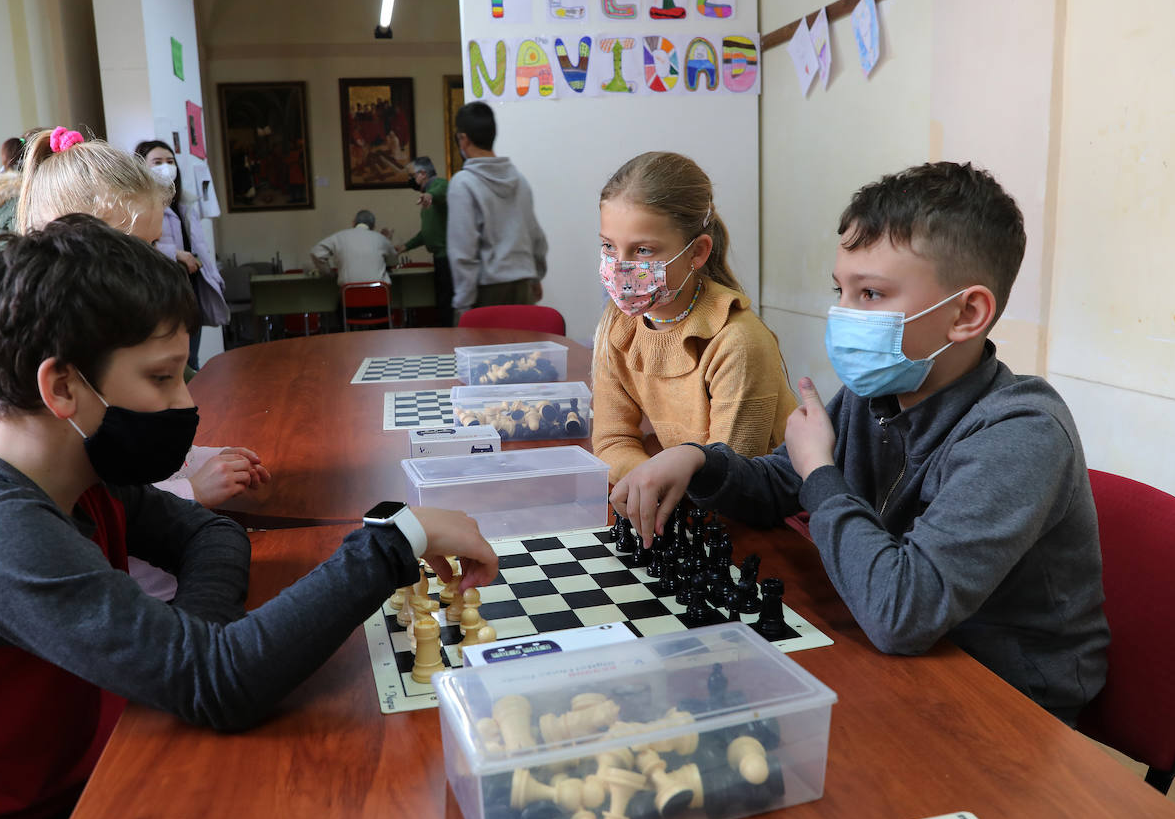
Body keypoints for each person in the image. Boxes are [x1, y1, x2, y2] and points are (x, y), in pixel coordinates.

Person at [0, 215, 498, 819]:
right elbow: (221, 685)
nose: (186, 403)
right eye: (161, 377)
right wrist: (397, 538)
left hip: (64, 772)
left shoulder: (80, 471)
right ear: (62, 387)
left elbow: (211, 538)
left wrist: (199, 645)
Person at [612, 162, 1109, 724]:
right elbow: (782, 483)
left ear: (967, 314)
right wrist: (700, 461)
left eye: (871, 293)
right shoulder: (880, 391)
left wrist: (819, 471)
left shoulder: (1020, 433)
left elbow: (903, 611)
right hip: (899, 655)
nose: (844, 315)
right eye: (841, 289)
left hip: (1007, 703)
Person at [16, 127, 270, 598]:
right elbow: (97, 506)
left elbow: (135, 475)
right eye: (135, 247)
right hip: (143, 594)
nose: (155, 264)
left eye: (155, 246)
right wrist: (195, 491)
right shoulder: (65, 380)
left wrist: (201, 462)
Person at [593, 151, 798, 483]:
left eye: (643, 250)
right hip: (683, 497)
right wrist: (647, 477)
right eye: (608, 247)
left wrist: (651, 477)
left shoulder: (738, 342)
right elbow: (611, 441)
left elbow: (727, 477)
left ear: (697, 252)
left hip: (763, 514)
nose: (619, 266)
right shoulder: (618, 324)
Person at [446, 101, 548, 324]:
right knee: (521, 357)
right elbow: (536, 236)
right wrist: (534, 276)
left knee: (484, 358)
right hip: (522, 287)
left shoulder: (463, 183)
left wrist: (463, 304)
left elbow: (463, 250)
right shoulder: (519, 180)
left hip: (486, 292)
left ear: (463, 139)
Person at [134, 139, 230, 370]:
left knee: (192, 357)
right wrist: (176, 254)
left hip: (191, 286)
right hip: (164, 290)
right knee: (176, 361)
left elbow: (201, 246)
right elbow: (137, 244)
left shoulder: (185, 202)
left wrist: (213, 276)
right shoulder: (139, 204)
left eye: (170, 161)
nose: (166, 167)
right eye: (157, 162)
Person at [397, 156, 452, 326]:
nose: (410, 179)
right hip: (439, 258)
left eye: (411, 175)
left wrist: (429, 195)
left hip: (448, 258)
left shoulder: (438, 186)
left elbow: (442, 190)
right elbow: (427, 233)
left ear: (422, 174)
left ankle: (451, 342)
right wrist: (405, 246)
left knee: (447, 306)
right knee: (442, 305)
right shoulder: (427, 198)